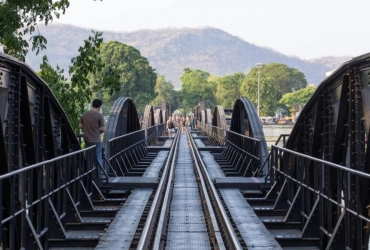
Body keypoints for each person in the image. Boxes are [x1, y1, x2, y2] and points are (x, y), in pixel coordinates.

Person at [79, 99, 105, 178]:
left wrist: (87, 127)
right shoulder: (99, 115)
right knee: (98, 157)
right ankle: (99, 176)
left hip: (87, 140)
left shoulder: (85, 114)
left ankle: (90, 176)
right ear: (100, 106)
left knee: (89, 158)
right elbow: (103, 129)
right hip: (96, 140)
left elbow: (80, 126)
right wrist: (97, 132)